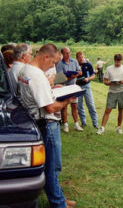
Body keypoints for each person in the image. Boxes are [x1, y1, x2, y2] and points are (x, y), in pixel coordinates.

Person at [17, 43, 76, 208]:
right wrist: (67, 100)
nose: (53, 66)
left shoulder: (25, 70)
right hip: (47, 123)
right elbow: (49, 107)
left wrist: (50, 87)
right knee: (52, 167)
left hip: (35, 121)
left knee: (50, 166)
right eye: (52, 63)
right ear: (45, 57)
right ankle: (58, 203)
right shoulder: (37, 75)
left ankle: (59, 197)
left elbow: (35, 94)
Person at [97, 54, 123, 135]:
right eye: (116, 62)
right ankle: (102, 128)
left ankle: (119, 127)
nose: (117, 63)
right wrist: (109, 83)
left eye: (119, 62)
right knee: (108, 109)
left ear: (121, 61)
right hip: (112, 92)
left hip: (122, 91)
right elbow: (105, 81)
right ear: (114, 60)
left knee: (121, 109)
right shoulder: (109, 69)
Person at [56, 47, 83, 133]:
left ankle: (76, 124)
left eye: (69, 52)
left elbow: (80, 72)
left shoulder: (74, 61)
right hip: (64, 87)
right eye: (66, 53)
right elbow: (59, 78)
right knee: (64, 106)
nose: (68, 54)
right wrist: (69, 77)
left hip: (73, 86)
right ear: (62, 54)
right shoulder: (60, 64)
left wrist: (77, 73)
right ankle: (65, 125)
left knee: (74, 106)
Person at [76, 51, 98, 129]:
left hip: (86, 85)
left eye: (82, 57)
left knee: (90, 104)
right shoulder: (75, 65)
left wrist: (88, 78)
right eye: (80, 58)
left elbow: (93, 75)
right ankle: (83, 122)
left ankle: (95, 123)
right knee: (79, 105)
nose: (82, 59)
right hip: (77, 87)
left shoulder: (88, 64)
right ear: (77, 58)